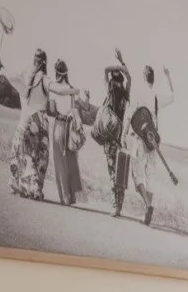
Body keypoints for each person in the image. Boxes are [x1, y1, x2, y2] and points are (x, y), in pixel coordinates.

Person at [123, 63, 174, 226]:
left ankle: (148, 205)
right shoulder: (157, 96)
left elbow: (129, 116)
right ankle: (147, 215)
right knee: (151, 177)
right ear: (153, 78)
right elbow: (172, 96)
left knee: (136, 175)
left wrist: (123, 134)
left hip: (139, 140)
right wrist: (167, 76)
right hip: (154, 143)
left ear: (143, 77)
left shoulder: (138, 93)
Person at [0, 48, 51, 199]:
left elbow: (10, 77)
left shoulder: (25, 75)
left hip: (25, 121)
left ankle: (19, 184)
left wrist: (1, 66)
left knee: (19, 154)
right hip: (41, 122)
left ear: (34, 60)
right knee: (39, 157)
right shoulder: (45, 80)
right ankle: (35, 188)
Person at [94, 49, 132, 216]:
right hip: (120, 137)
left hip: (110, 138)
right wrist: (122, 63)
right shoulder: (125, 91)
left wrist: (116, 65)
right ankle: (119, 206)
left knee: (112, 171)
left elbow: (104, 70)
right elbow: (130, 78)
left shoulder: (110, 88)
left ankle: (114, 206)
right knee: (120, 171)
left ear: (112, 77)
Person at [46, 59, 85, 207]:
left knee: (59, 162)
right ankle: (72, 196)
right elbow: (74, 109)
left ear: (56, 72)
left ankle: (65, 197)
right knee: (70, 161)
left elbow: (52, 110)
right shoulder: (71, 89)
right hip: (70, 127)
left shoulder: (55, 89)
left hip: (59, 125)